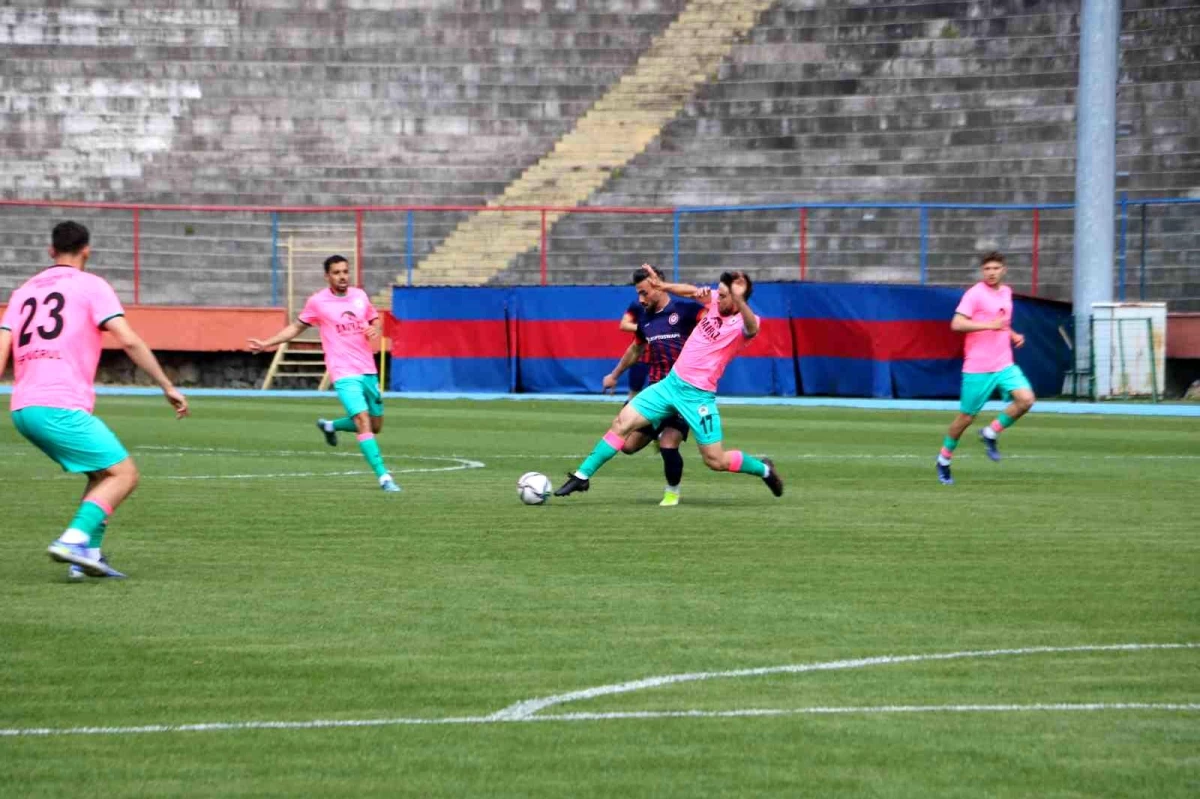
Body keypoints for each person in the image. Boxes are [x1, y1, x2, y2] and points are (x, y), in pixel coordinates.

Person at [0, 220, 189, 580]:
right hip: (58, 403)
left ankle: (87, 556)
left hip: (24, 407)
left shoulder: (23, 291)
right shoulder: (91, 286)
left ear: (50, 250)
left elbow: (3, 347)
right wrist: (166, 384)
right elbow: (129, 340)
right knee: (125, 474)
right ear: (87, 249)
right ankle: (72, 540)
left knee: (101, 474)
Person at [556, 271, 783, 499]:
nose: (718, 298)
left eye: (725, 296)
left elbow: (753, 328)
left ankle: (764, 469)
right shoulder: (715, 301)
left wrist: (740, 299)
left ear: (738, 298)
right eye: (719, 293)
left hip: (697, 397)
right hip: (669, 385)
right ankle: (581, 477)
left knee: (715, 460)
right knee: (622, 423)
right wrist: (662, 285)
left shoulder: (745, 323)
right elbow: (690, 290)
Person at [249, 255, 400, 492]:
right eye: (337, 273)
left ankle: (331, 426)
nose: (342, 277)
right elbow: (296, 327)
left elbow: (374, 319)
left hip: (367, 369)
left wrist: (374, 328)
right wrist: (267, 343)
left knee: (375, 425)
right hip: (342, 371)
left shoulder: (359, 296)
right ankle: (384, 477)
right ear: (327, 276)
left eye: (345, 272)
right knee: (363, 421)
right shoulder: (318, 302)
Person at [603, 264, 706, 506]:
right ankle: (657, 433)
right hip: (656, 392)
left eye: (643, 292)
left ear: (658, 283)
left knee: (669, 444)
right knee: (627, 446)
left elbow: (712, 314)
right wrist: (615, 374)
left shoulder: (686, 310)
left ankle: (672, 493)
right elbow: (636, 348)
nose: (640, 299)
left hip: (683, 392)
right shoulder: (646, 317)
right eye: (637, 293)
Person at [936, 251, 1036, 485]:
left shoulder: (1006, 292)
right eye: (987, 269)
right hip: (978, 367)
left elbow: (1002, 323)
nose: (991, 273)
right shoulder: (975, 294)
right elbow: (956, 323)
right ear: (983, 272)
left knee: (1026, 400)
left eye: (995, 268)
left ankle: (991, 432)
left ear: (1004, 270)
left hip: (1004, 363)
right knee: (966, 418)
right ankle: (943, 459)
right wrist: (988, 325)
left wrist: (1012, 334)